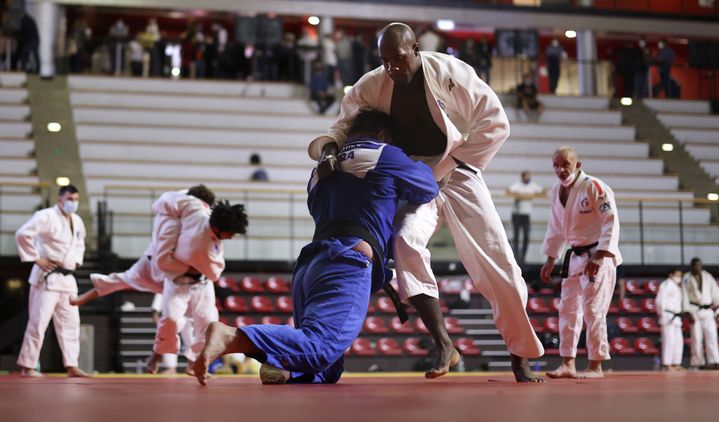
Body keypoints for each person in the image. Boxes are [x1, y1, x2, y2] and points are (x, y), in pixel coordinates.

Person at [308, 22, 545, 382]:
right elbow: (344, 126)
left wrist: (450, 164)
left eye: (399, 58)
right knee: (404, 241)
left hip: (459, 169)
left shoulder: (452, 73)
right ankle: (443, 343)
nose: (392, 68)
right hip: (412, 174)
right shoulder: (372, 84)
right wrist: (328, 150)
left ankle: (521, 355)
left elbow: (496, 124)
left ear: (415, 48)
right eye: (385, 61)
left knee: (498, 259)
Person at [191, 110, 439, 386]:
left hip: (310, 266)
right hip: (347, 260)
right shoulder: (382, 152)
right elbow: (428, 187)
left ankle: (282, 365)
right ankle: (232, 337)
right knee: (322, 349)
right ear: (383, 135)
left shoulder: (319, 172)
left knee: (328, 369)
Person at [540, 146, 621, 379]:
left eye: (565, 164)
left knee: (593, 310)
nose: (560, 169)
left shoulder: (594, 187)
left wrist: (600, 254)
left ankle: (596, 365)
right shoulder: (556, 190)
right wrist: (550, 259)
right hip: (574, 257)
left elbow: (610, 221)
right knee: (567, 309)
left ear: (578, 165)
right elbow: (555, 227)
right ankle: (568, 363)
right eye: (556, 165)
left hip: (598, 257)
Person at [145, 194, 248, 373]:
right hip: (177, 283)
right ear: (219, 227)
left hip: (202, 285)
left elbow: (180, 201)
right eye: (230, 233)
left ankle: (194, 362)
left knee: (209, 324)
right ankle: (156, 354)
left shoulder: (201, 212)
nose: (231, 237)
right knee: (171, 321)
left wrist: (160, 205)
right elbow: (215, 272)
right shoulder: (200, 245)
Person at [69, 185, 216, 307]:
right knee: (122, 279)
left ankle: (83, 297)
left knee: (122, 279)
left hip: (168, 266)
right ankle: (84, 297)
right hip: (166, 264)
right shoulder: (183, 209)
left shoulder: (179, 203)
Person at [15, 185, 89, 378]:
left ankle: (72, 364)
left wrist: (76, 261)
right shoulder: (45, 216)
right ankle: (28, 366)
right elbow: (22, 234)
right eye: (70, 199)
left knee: (71, 324)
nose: (73, 202)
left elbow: (80, 243)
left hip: (67, 279)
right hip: (47, 278)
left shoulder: (77, 221)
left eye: (76, 199)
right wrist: (36, 257)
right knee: (38, 323)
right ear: (60, 199)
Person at [681, 257, 719, 370]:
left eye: (699, 265)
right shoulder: (686, 278)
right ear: (692, 266)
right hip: (694, 310)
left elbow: (716, 293)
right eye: (695, 265)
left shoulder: (708, 277)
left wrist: (718, 310)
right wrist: (687, 312)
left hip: (707, 311)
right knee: (696, 338)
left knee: (712, 336)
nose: (697, 267)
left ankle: (715, 361)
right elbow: (684, 296)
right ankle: (698, 363)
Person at [507, 171, 545, 265]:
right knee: (516, 237)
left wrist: (529, 196)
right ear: (522, 177)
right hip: (517, 214)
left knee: (526, 237)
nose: (527, 178)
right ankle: (516, 257)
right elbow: (508, 191)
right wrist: (522, 196)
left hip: (526, 215)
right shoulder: (517, 185)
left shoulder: (532, 185)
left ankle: (523, 258)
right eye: (526, 176)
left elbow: (543, 191)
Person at [656, 269, 685, 371]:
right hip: (668, 316)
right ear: (671, 274)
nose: (679, 278)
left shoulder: (677, 287)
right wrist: (662, 314)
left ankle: (676, 363)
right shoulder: (666, 285)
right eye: (677, 275)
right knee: (669, 341)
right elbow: (660, 301)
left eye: (680, 276)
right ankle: (667, 364)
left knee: (678, 341)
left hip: (676, 317)